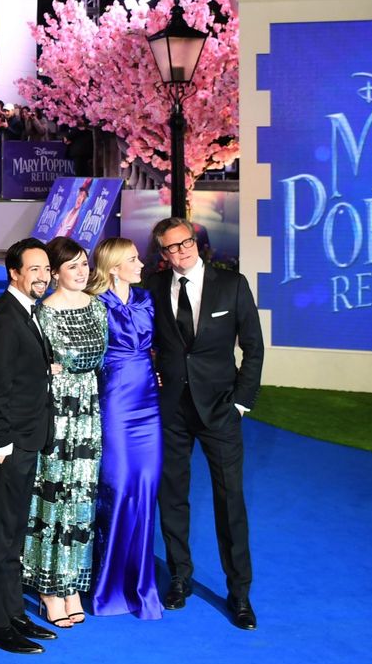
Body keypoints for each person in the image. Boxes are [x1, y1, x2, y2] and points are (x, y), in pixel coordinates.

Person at [146, 217, 264, 630]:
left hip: (220, 411)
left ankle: (240, 593)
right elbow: (141, 339)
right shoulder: (153, 288)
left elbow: (253, 348)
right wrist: (152, 371)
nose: (180, 252)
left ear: (197, 243)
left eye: (185, 243)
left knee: (230, 500)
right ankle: (179, 577)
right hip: (171, 411)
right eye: (171, 248)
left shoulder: (232, 284)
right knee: (172, 496)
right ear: (162, 253)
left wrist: (240, 405)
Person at [0, 239, 59, 655]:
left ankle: (14, 613)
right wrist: (1, 444)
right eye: (35, 269)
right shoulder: (5, 318)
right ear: (14, 272)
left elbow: (16, 372)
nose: (43, 275)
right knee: (1, 534)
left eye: (46, 269)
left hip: (25, 435)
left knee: (14, 534)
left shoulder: (27, 311)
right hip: (8, 442)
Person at [24, 235, 106, 628]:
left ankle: (72, 583)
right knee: (53, 497)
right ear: (54, 272)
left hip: (88, 412)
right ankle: (48, 587)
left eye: (85, 263)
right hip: (56, 413)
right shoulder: (42, 314)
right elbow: (34, 364)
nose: (81, 271)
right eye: (72, 265)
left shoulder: (98, 307)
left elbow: (96, 357)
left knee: (81, 498)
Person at [86, 238, 163, 619]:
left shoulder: (147, 299)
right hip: (114, 401)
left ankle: (141, 583)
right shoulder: (94, 303)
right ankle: (108, 584)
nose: (141, 263)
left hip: (148, 404)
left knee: (146, 487)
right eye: (133, 259)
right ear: (114, 267)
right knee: (116, 489)